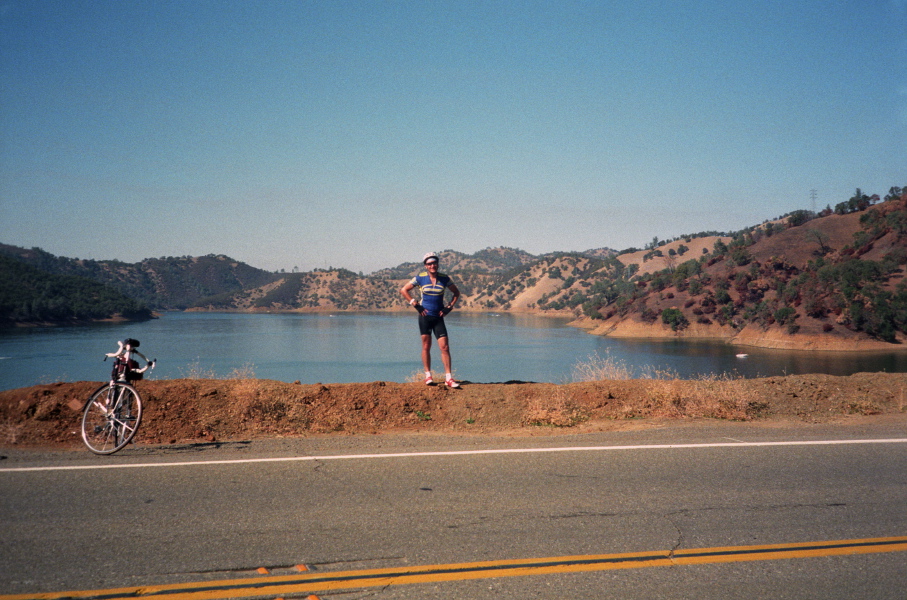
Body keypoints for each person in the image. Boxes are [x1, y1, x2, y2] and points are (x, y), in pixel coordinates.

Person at [400, 252, 461, 388]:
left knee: (444, 347)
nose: (432, 266)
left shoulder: (444, 278)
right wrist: (415, 304)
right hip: (425, 317)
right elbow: (404, 290)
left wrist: (449, 307)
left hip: (438, 317)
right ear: (425, 266)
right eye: (429, 264)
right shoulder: (420, 278)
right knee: (426, 346)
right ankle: (428, 375)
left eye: (434, 263)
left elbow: (456, 293)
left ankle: (449, 378)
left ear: (437, 264)